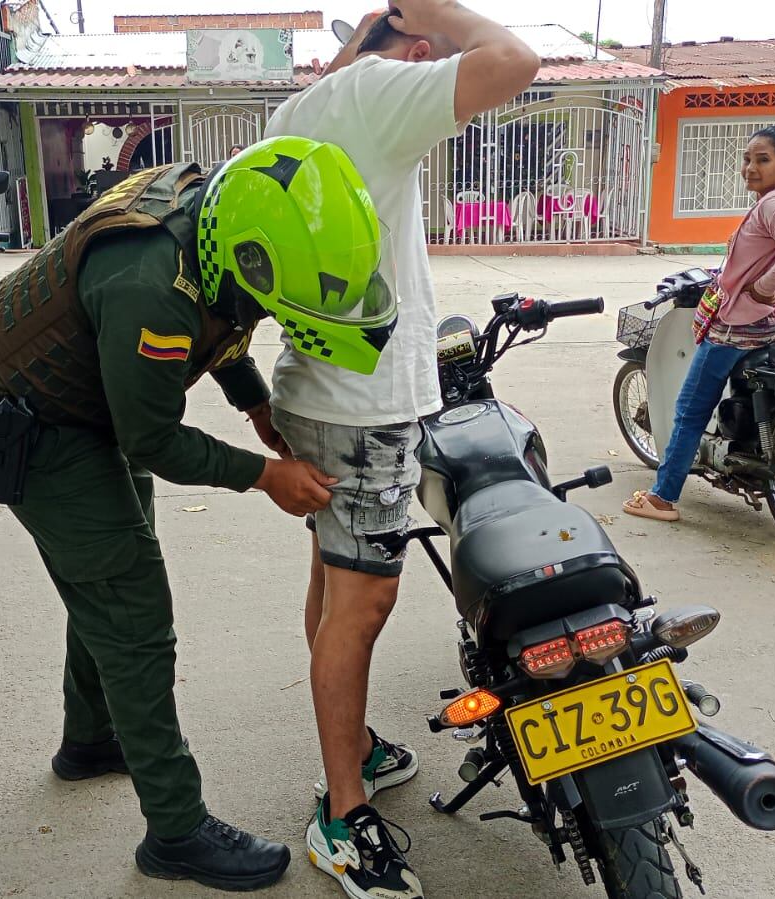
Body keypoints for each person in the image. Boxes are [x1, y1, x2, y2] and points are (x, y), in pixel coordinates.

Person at [0, 137, 390, 892]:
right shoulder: (147, 287)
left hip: (88, 390)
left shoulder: (216, 222)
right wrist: (267, 475)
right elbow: (152, 436)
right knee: (131, 611)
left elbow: (221, 317)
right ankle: (175, 830)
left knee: (105, 577)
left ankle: (93, 739)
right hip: (41, 424)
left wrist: (254, 402)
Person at [260, 3, 540, 897]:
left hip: (316, 390)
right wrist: (438, 12)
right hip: (369, 404)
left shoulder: (303, 108)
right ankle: (341, 812)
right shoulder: (383, 90)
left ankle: (355, 753)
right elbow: (515, 60)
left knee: (333, 574)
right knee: (365, 605)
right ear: (414, 50)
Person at [623, 125, 775, 522]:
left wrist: (764, 287)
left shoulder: (773, 206)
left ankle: (662, 497)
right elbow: (765, 253)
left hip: (738, 331)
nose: (750, 167)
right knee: (749, 395)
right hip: (774, 326)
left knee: (690, 410)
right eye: (747, 159)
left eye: (762, 160)